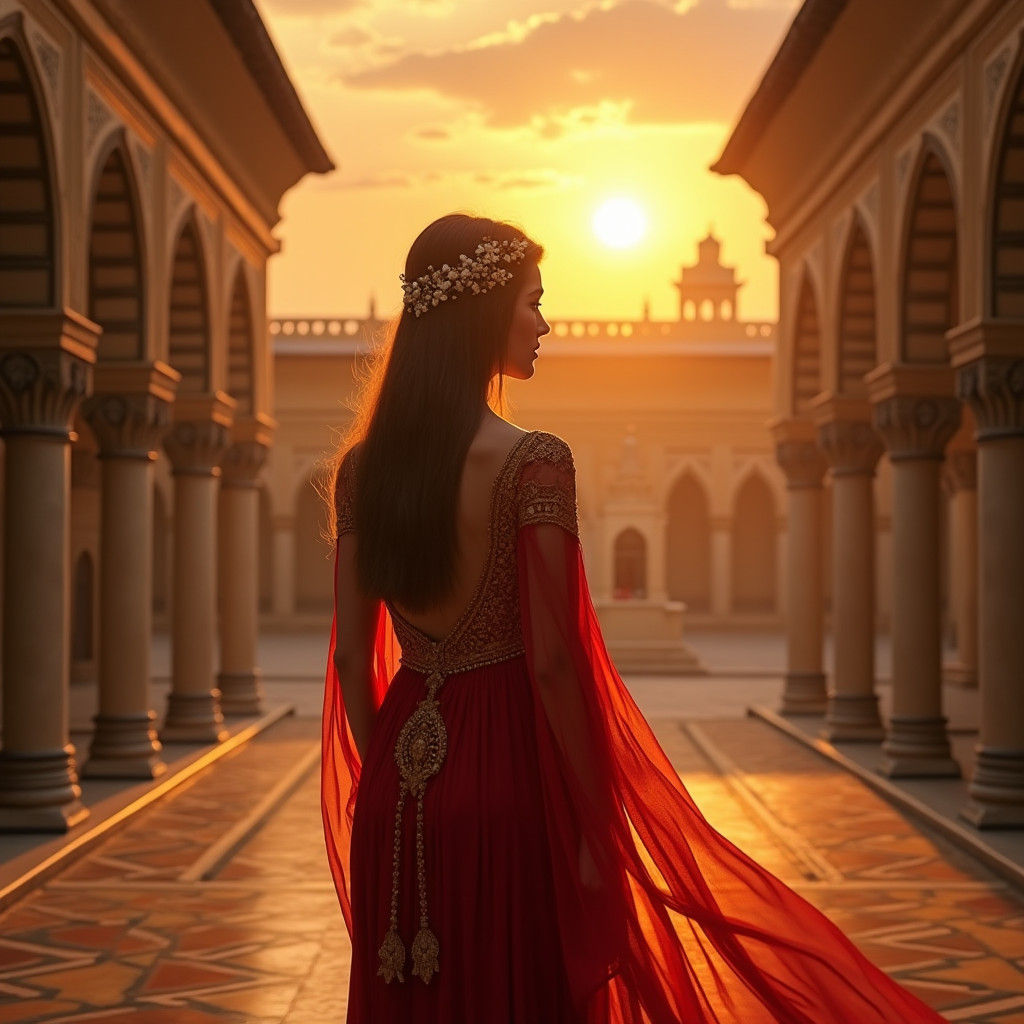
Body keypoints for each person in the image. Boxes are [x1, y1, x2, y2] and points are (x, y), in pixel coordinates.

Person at [320, 212, 948, 1023]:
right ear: (485, 314)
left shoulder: (363, 471)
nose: (545, 324)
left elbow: (346, 661)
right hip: (510, 772)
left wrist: (393, 787)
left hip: (398, 787)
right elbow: (552, 662)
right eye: (533, 302)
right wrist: (593, 823)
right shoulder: (532, 461)